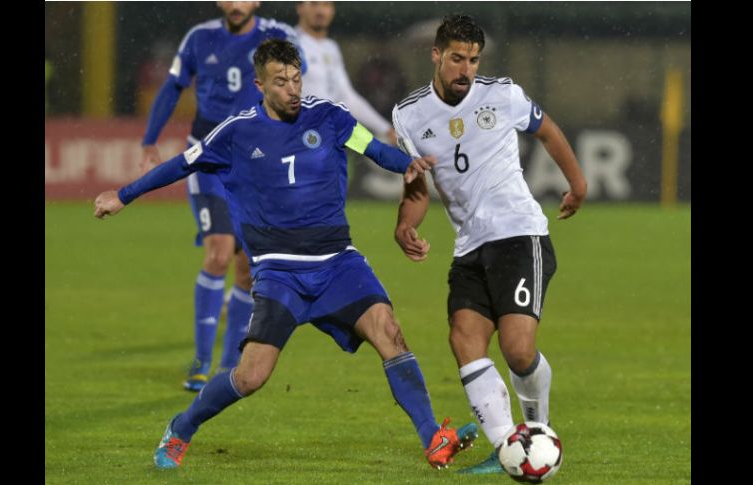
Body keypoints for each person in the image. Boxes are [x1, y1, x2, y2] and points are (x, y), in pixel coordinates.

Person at [96, 39, 478, 471]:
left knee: (389, 332)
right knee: (250, 376)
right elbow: (182, 164)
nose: (293, 89)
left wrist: (405, 163)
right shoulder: (237, 131)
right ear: (260, 84)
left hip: (338, 262)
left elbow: (372, 147)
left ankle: (433, 438)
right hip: (279, 272)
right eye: (281, 82)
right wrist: (124, 195)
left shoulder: (329, 117)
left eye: (297, 79)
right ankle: (181, 428)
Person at [392, 14, 587, 474]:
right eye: (457, 58)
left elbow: (548, 130)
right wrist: (405, 225)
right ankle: (506, 449)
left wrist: (577, 185)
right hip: (469, 247)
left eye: (474, 60)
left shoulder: (502, 94)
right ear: (436, 56)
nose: (466, 69)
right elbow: (420, 185)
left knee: (518, 350)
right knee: (465, 341)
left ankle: (538, 431)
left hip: (520, 235)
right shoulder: (409, 114)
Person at [140, 1, 305, 392]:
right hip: (209, 158)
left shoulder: (279, 38)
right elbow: (173, 87)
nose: (236, 4)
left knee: (247, 265)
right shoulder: (199, 38)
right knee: (218, 252)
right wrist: (149, 140)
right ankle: (200, 361)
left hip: (256, 162)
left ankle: (230, 362)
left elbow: (296, 91)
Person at [295, 1, 397, 145]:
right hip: (297, 139)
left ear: (333, 10)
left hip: (326, 140)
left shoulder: (331, 48)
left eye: (326, 5)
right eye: (313, 3)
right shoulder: (289, 43)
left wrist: (386, 129)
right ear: (299, 8)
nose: (320, 11)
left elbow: (347, 97)